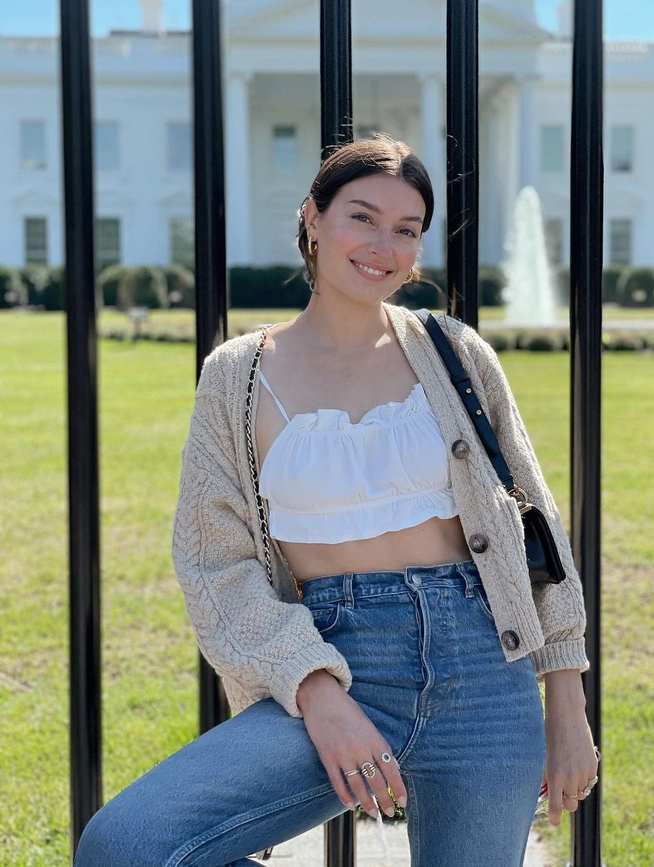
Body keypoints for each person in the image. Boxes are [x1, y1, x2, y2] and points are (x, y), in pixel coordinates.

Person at [74, 135, 598, 867]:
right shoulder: (240, 374)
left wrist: (567, 705)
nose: (384, 245)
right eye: (362, 216)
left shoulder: (454, 351)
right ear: (312, 219)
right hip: (337, 656)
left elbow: (535, 528)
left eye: (407, 229)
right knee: (126, 845)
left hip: (485, 668)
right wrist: (317, 691)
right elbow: (213, 562)